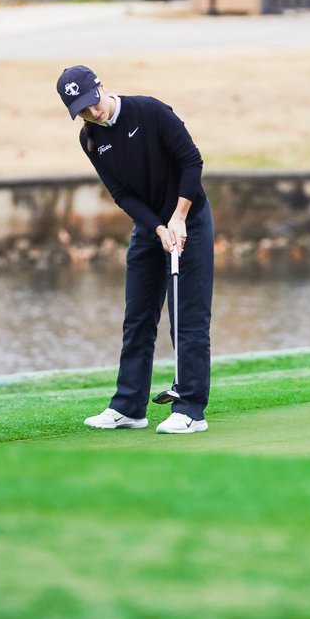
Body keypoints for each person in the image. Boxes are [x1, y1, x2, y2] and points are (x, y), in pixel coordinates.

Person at [55, 65, 214, 434]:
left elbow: (193, 161)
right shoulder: (91, 140)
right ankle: (129, 407)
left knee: (187, 319)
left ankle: (191, 409)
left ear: (102, 87)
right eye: (81, 109)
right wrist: (157, 227)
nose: (92, 112)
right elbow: (122, 194)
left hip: (190, 220)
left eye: (93, 102)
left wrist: (177, 218)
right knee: (138, 318)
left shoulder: (150, 112)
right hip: (149, 228)